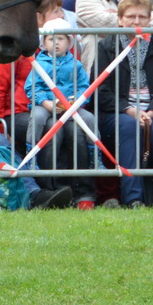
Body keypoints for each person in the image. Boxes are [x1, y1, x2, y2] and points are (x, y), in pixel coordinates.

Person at [90, 0, 153, 208]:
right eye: (130, 17)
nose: (136, 21)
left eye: (141, 17)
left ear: (150, 19)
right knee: (129, 128)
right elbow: (100, 90)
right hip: (119, 112)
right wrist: (130, 110)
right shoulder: (106, 47)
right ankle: (133, 198)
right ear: (120, 19)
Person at [23, 18, 97, 196]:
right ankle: (31, 151)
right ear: (43, 43)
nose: (55, 43)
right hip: (46, 104)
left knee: (89, 119)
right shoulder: (38, 64)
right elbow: (31, 87)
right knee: (38, 117)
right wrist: (46, 103)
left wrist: (75, 101)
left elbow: (83, 87)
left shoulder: (76, 65)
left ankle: (96, 155)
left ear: (69, 42)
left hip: (70, 106)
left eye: (61, 39)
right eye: (50, 39)